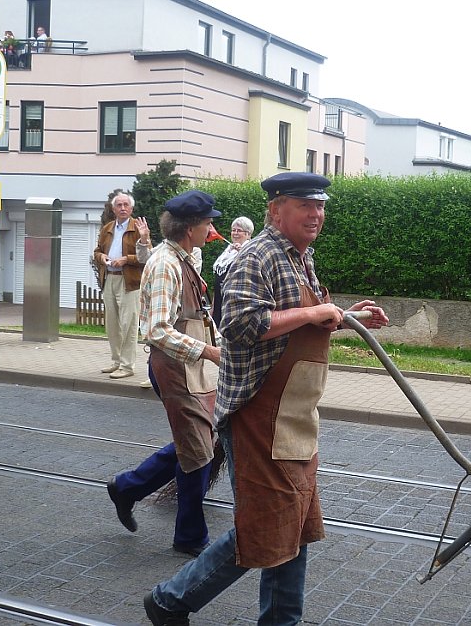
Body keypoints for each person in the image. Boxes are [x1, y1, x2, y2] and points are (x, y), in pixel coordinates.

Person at [143, 172, 389, 626]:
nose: (316, 214)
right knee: (265, 529)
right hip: (259, 414)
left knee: (292, 527)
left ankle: (277, 621)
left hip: (295, 417)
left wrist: (348, 317)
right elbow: (240, 323)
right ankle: (171, 600)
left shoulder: (300, 257)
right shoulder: (258, 256)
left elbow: (298, 322)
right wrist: (316, 311)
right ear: (276, 210)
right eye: (304, 205)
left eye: (319, 206)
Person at [106, 190, 222, 557]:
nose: (212, 228)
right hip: (175, 369)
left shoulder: (182, 257)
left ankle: (128, 487)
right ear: (190, 228)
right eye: (207, 222)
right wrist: (208, 350)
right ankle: (189, 537)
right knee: (199, 451)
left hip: (190, 368)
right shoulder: (166, 264)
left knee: (196, 445)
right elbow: (156, 330)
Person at [93, 192, 148, 379]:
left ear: (131, 209)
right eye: (119, 205)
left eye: (126, 205)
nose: (123, 208)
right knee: (112, 324)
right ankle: (116, 361)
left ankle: (127, 365)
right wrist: (102, 257)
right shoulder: (107, 228)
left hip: (129, 282)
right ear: (113, 208)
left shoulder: (138, 228)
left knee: (129, 324)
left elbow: (146, 257)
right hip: (109, 278)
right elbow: (97, 251)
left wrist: (126, 259)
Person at [211, 216, 254, 327]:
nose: (235, 233)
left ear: (248, 234)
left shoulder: (250, 251)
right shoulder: (227, 252)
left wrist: (242, 252)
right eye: (233, 230)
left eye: (239, 231)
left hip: (234, 305)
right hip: (219, 302)